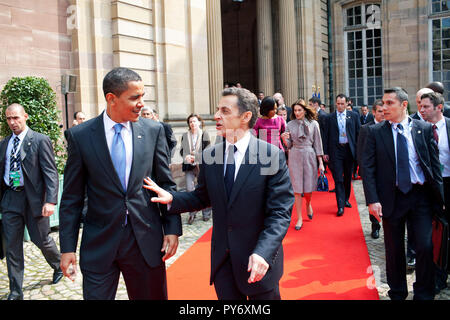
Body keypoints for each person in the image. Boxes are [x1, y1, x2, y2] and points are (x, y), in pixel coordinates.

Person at [144, 87, 294, 300]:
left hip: (259, 261)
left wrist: (263, 253)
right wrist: (173, 198)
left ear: (246, 117)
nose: (216, 116)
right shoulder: (210, 155)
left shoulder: (270, 155)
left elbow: (279, 213)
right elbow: (202, 197)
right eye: (217, 110)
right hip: (223, 262)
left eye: (224, 111)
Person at [59, 67, 182, 300]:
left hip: (145, 241)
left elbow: (166, 185)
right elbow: (71, 198)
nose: (141, 104)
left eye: (143, 96)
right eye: (135, 97)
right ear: (111, 99)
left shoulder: (154, 131)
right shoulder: (81, 136)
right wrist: (67, 248)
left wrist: (172, 229)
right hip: (99, 243)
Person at [361, 87, 443, 300]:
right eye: (383, 103)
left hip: (420, 196)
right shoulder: (375, 132)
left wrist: (440, 199)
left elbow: (434, 168)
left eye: (390, 103)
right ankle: (397, 292)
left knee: (425, 246)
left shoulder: (423, 129)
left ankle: (424, 293)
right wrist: (372, 200)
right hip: (392, 197)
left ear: (404, 105)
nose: (384, 107)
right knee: (394, 249)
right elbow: (367, 169)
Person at [0, 103, 62, 300]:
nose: (12, 122)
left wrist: (50, 201)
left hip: (33, 199)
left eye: (16, 118)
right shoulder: (4, 143)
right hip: (11, 198)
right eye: (8, 118)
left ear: (25, 116)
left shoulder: (39, 140)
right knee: (12, 246)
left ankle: (59, 264)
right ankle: (16, 291)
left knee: (41, 240)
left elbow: (51, 173)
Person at [419, 91, 450, 294]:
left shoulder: (448, 125)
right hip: (428, 189)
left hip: (448, 182)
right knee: (434, 234)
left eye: (426, 107)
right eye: (420, 106)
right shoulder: (418, 129)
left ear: (438, 108)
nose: (421, 110)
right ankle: (438, 276)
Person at [281, 99, 324, 230]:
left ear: (305, 111)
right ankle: (299, 218)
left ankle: (308, 203)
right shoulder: (290, 124)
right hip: (295, 155)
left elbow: (318, 143)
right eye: (295, 110)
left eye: (300, 110)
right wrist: (284, 139)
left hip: (310, 155)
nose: (297, 112)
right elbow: (288, 145)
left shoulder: (314, 124)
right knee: (297, 190)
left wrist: (321, 162)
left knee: (308, 189)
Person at [323, 94, 360, 216]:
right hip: (336, 151)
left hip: (349, 150)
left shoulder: (353, 116)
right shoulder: (330, 118)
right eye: (338, 104)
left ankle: (346, 199)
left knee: (347, 177)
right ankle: (340, 206)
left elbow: (358, 133)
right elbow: (326, 136)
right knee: (338, 178)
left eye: (342, 104)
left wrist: (358, 150)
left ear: (346, 104)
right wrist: (325, 152)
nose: (340, 106)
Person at [356, 99, 384, 239]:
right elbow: (360, 151)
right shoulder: (365, 128)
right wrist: (362, 169)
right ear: (373, 112)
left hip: (387, 172)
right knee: (373, 198)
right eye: (380, 111)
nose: (383, 114)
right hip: (372, 172)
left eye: (384, 111)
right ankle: (375, 225)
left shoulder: (390, 126)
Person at [180, 114, 212, 224]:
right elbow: (181, 151)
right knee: (189, 189)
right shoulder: (185, 135)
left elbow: (208, 150)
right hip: (189, 166)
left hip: (201, 165)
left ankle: (206, 213)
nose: (192, 123)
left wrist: (196, 157)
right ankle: (192, 214)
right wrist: (186, 157)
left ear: (199, 122)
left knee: (204, 188)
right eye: (190, 122)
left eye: (194, 121)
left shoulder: (204, 134)